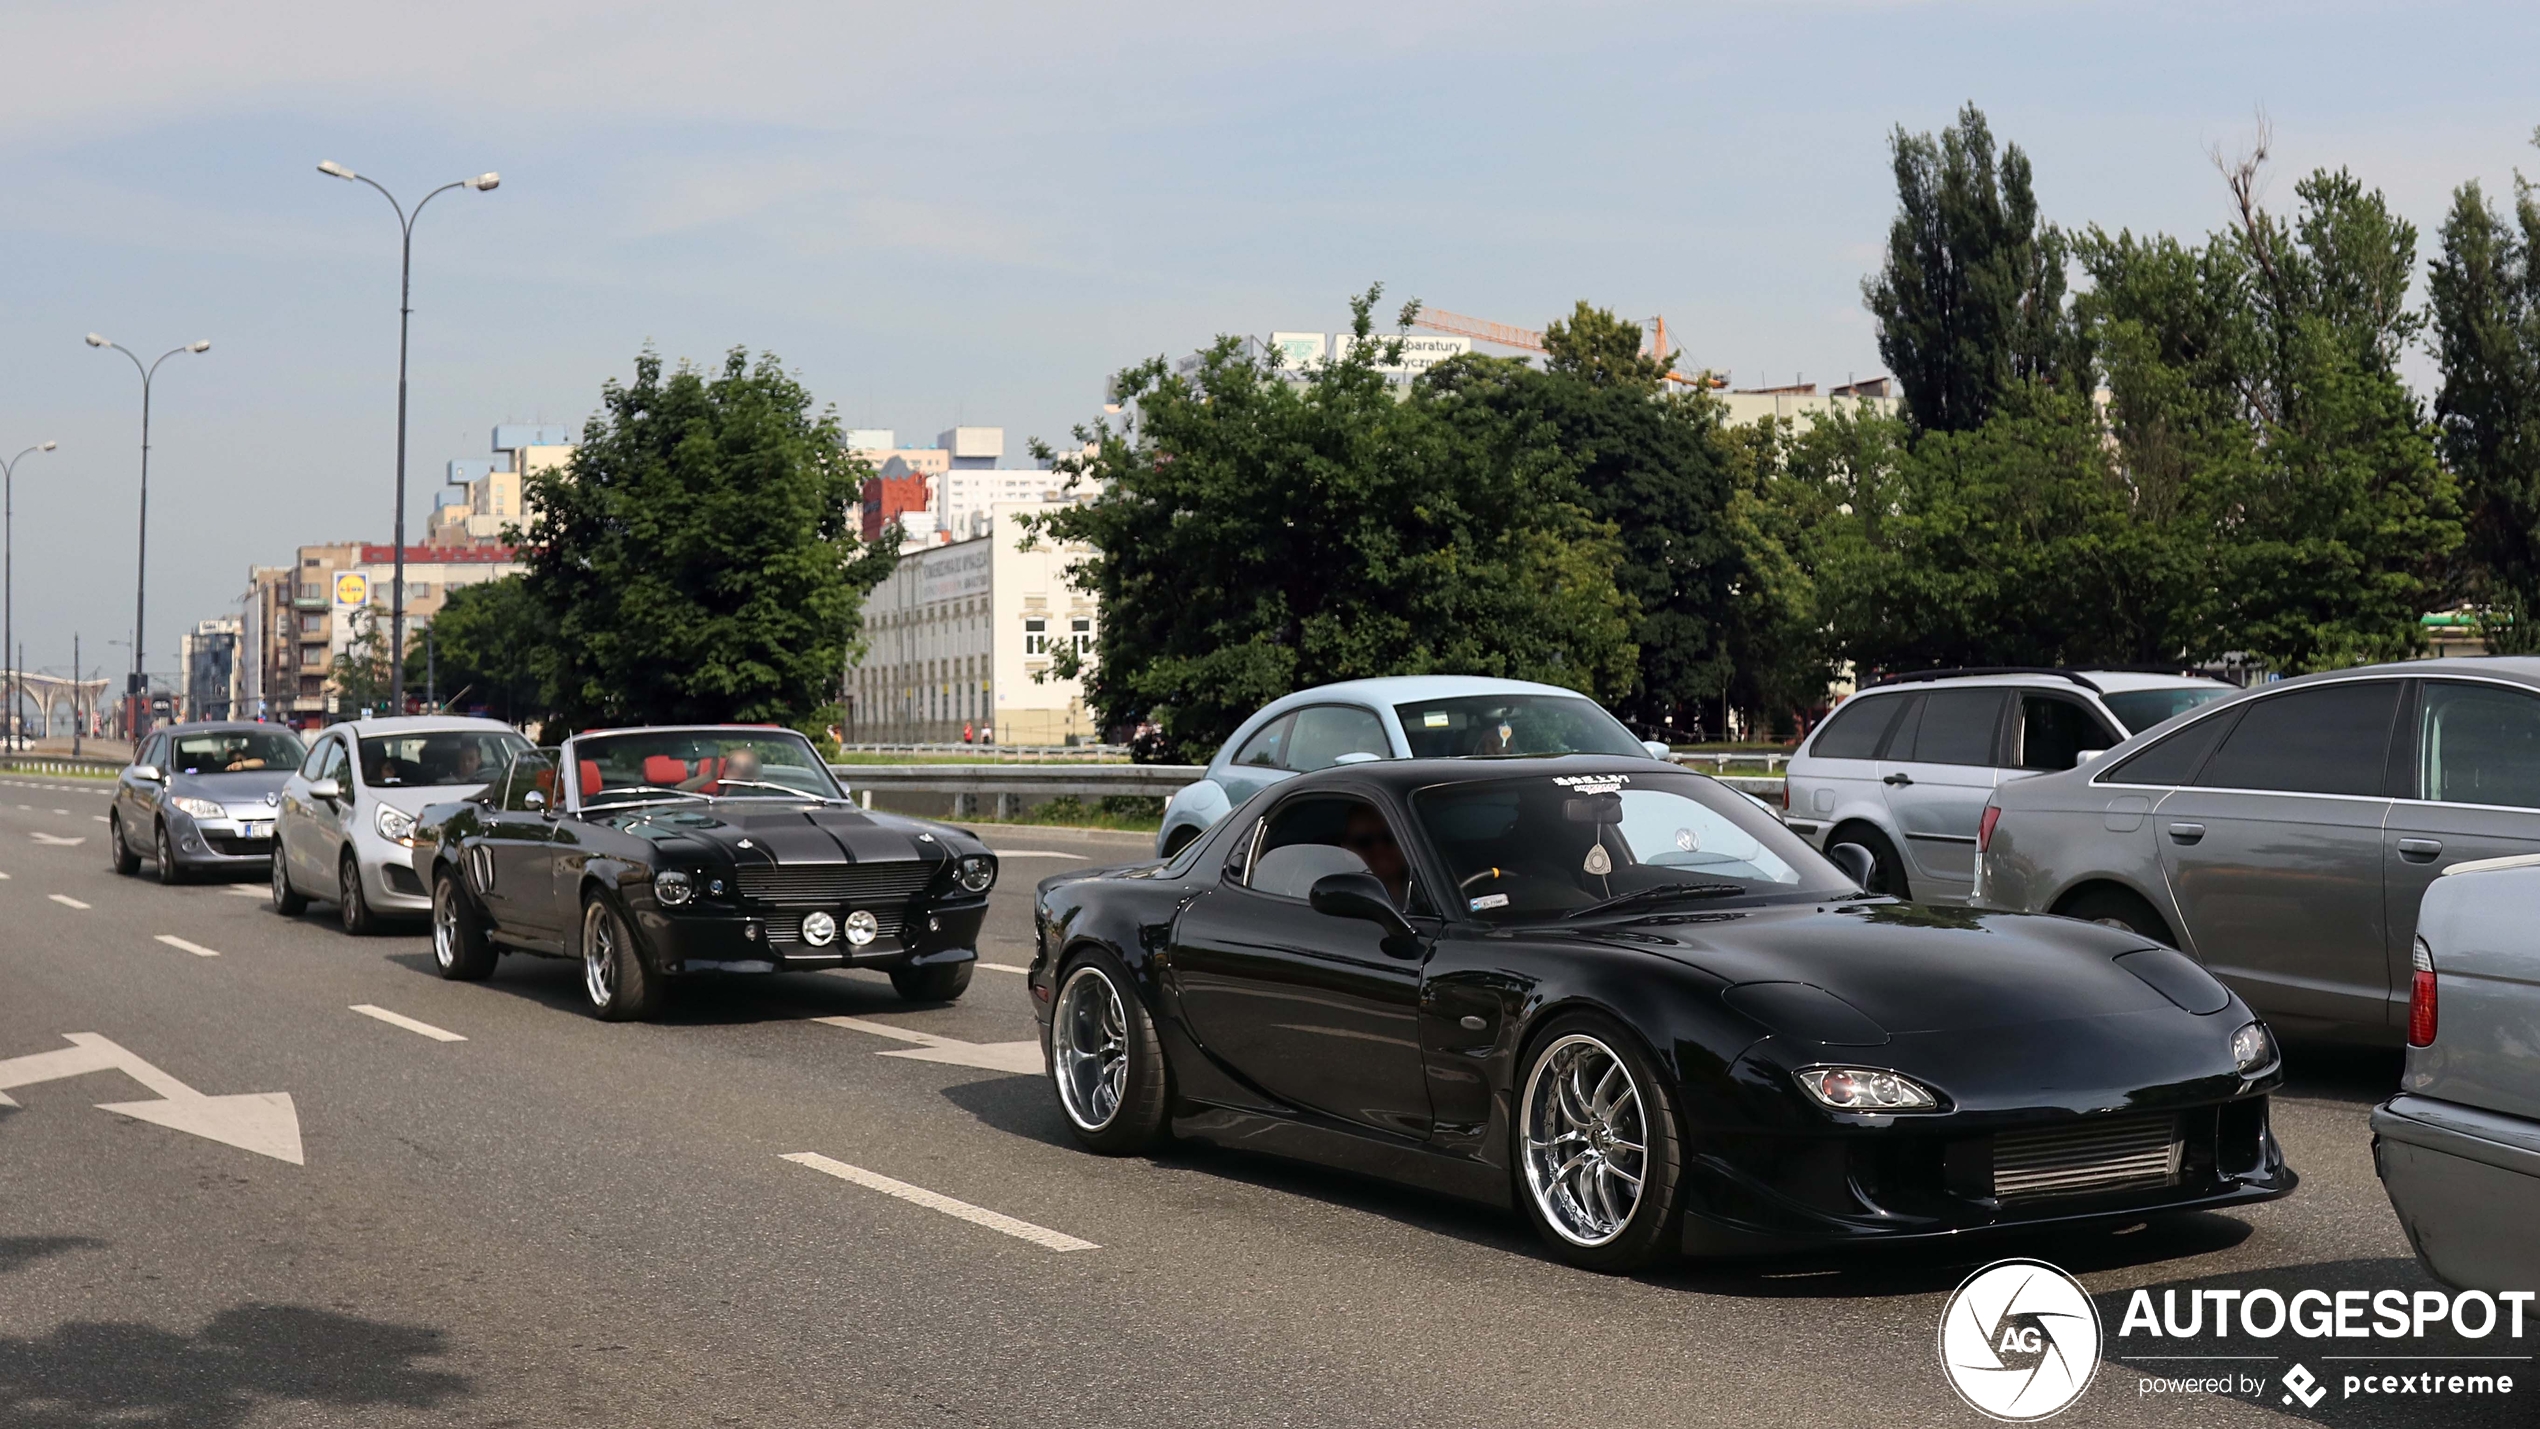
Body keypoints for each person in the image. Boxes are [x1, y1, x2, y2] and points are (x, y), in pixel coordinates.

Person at [1342, 804, 1411, 908]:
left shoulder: (1435, 887)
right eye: (1364, 842)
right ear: (1346, 850)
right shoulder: (1344, 904)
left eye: (1389, 838)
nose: (1380, 848)